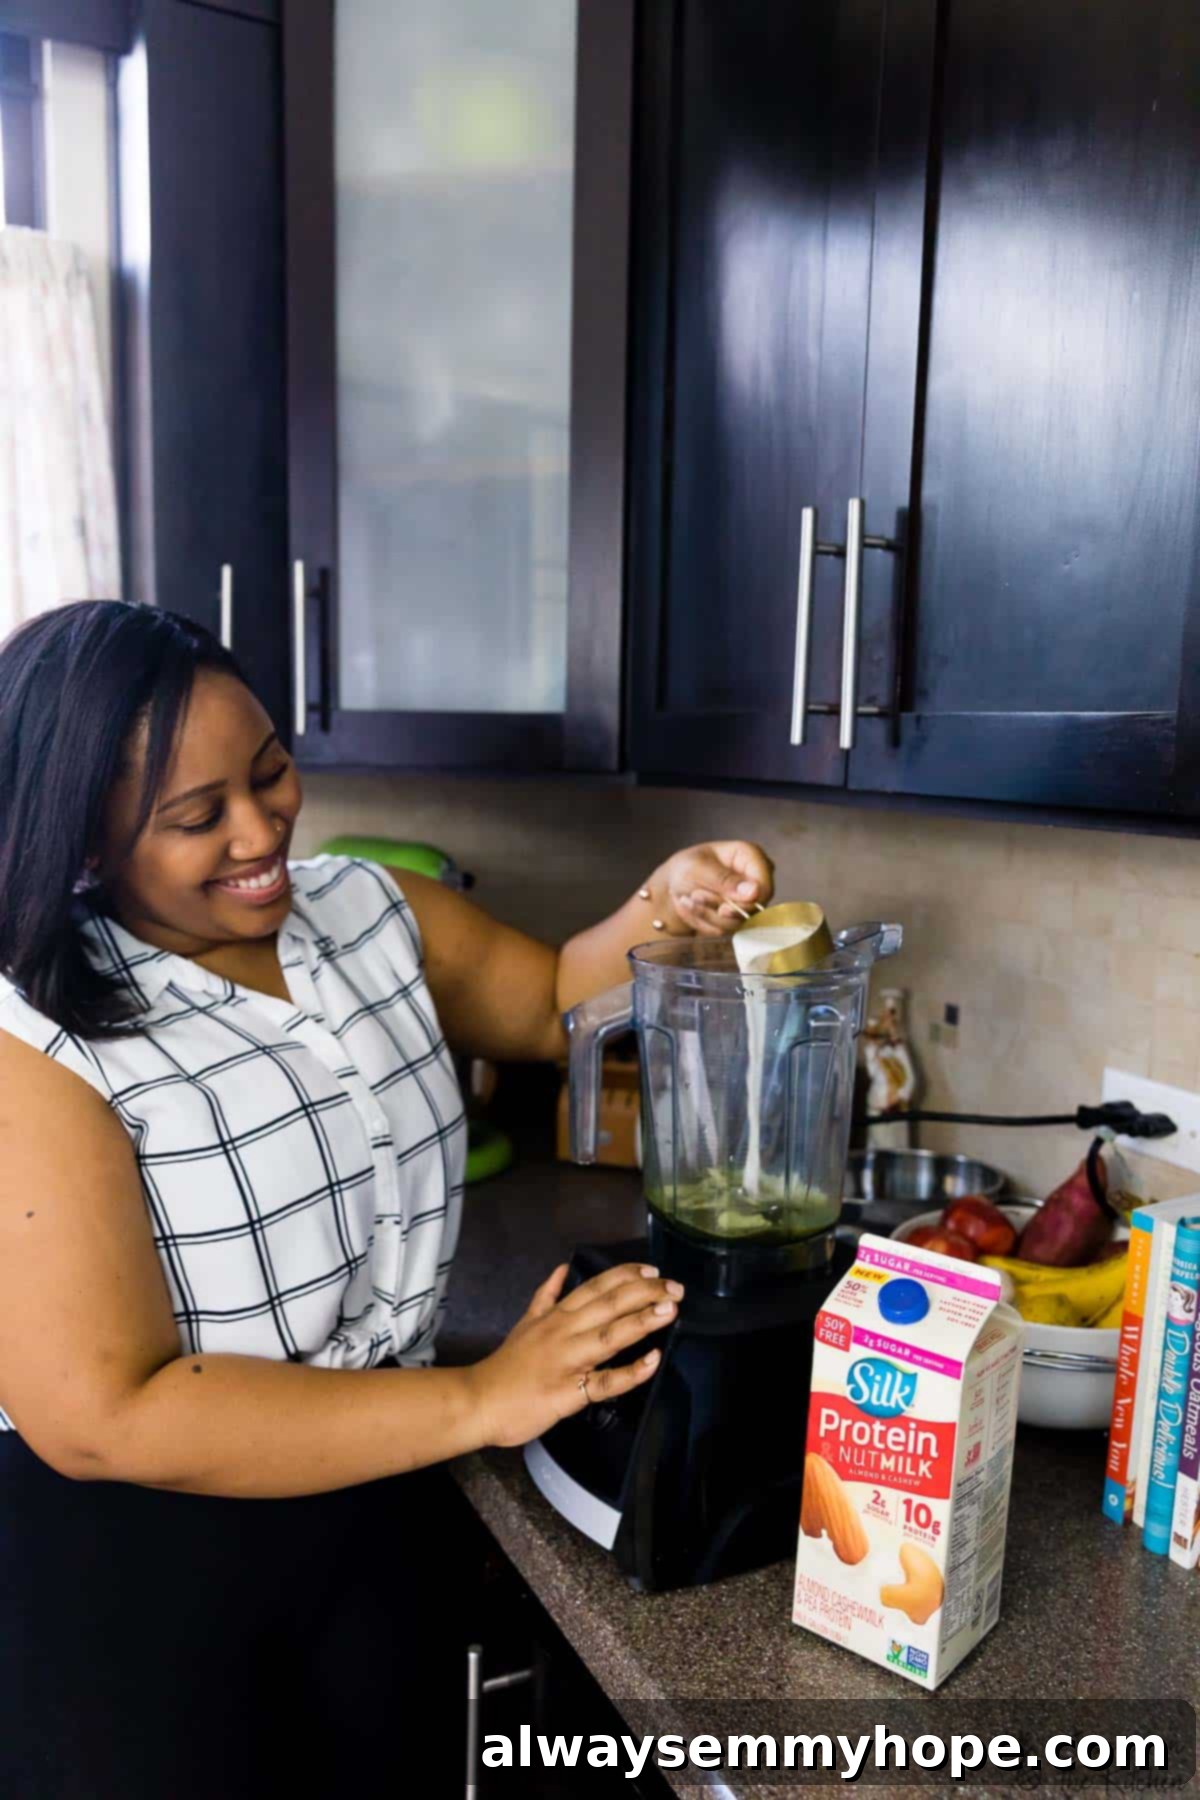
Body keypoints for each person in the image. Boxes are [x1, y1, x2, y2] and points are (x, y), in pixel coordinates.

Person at [0, 601, 775, 1798]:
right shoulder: (33, 1035)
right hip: (135, 1561)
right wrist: (484, 1396)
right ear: (85, 842)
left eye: (270, 774)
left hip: (380, 1490)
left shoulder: (366, 909)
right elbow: (104, 1414)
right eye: (198, 818)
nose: (262, 829)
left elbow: (548, 999)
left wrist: (666, 905)